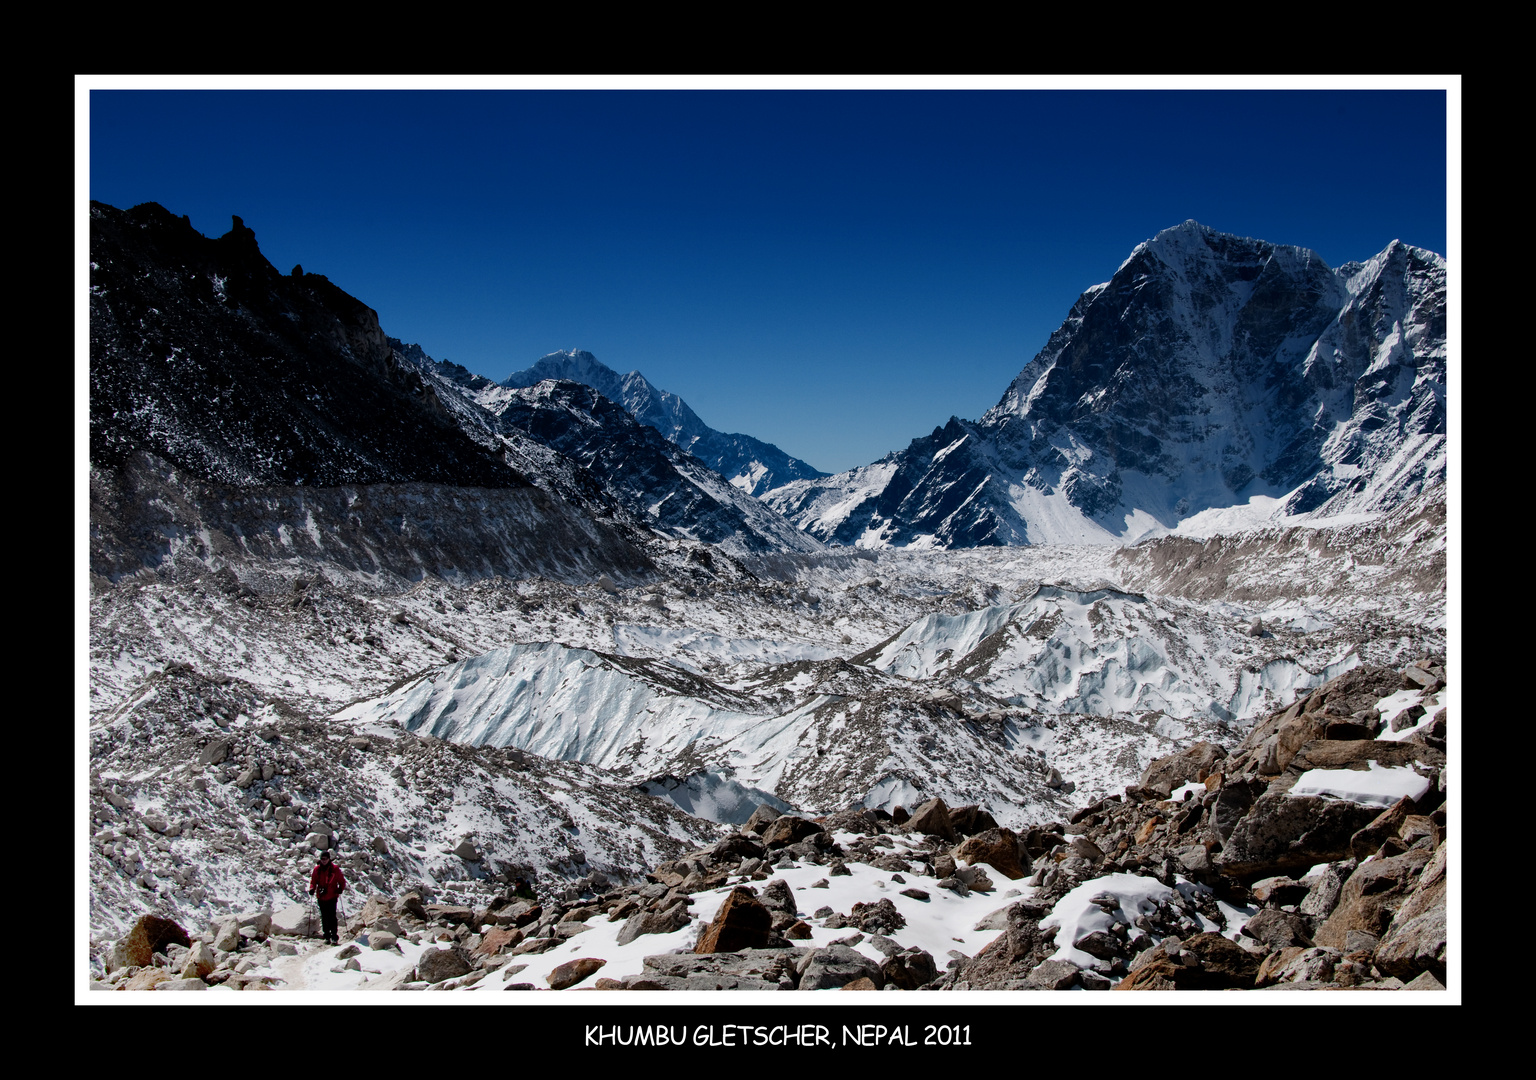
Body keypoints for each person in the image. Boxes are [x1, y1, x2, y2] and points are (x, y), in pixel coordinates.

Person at [308, 849, 347, 946]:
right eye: (322, 859)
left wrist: (340, 889)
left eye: (325, 859)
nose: (324, 860)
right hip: (321, 897)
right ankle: (327, 936)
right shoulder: (317, 869)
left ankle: (334, 936)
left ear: (329, 859)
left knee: (332, 917)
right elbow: (313, 881)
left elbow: (342, 881)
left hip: (332, 896)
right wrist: (312, 888)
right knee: (324, 917)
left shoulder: (335, 869)